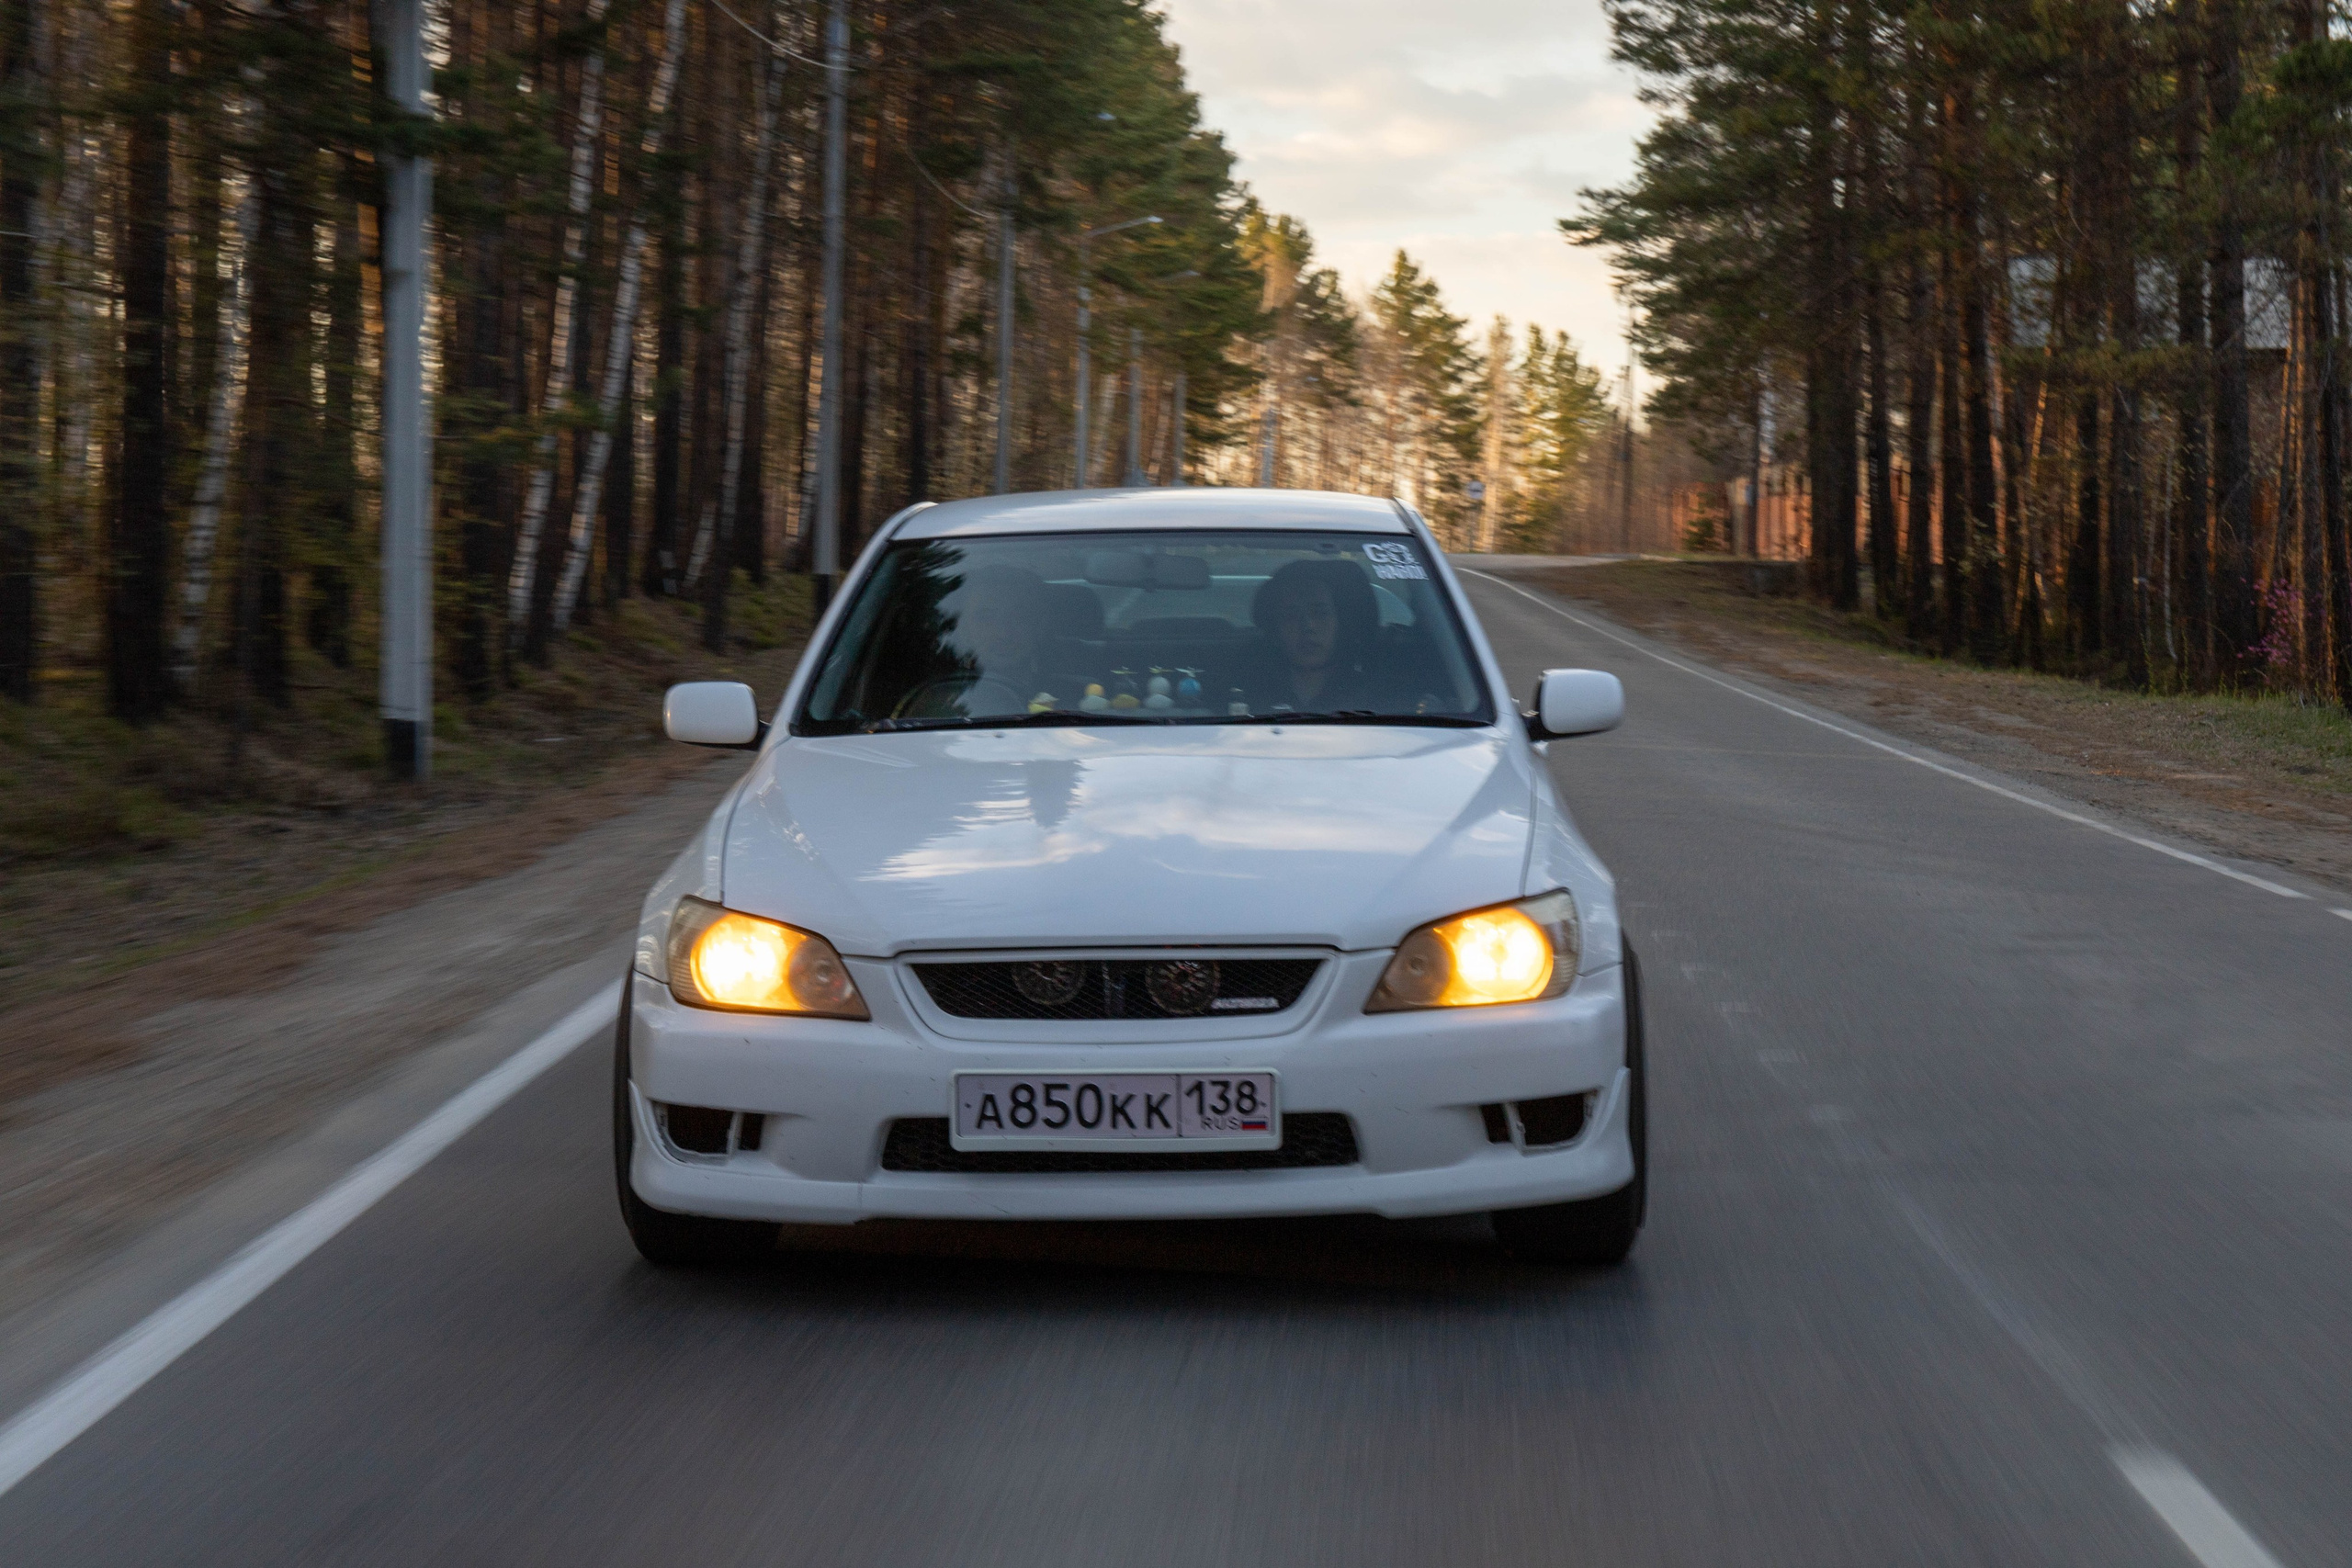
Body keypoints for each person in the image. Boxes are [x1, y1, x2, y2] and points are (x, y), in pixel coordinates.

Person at [1245, 559, 1396, 713]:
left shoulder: (1379, 691)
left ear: (1341, 624)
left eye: (1321, 613)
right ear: (1274, 629)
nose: (1308, 626)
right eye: (1292, 615)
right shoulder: (1246, 687)